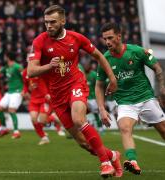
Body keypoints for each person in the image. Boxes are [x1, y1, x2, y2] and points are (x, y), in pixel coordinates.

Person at [27, 5, 122, 178]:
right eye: (46, 22)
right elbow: (30, 71)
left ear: (63, 21)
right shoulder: (39, 41)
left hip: (76, 84)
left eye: (53, 22)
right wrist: (49, 66)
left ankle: (105, 163)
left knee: (79, 119)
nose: (49, 26)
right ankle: (113, 155)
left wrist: (112, 78)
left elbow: (99, 56)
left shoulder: (76, 38)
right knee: (84, 144)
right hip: (57, 95)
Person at [96, 22, 165, 175]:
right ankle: (132, 161)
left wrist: (162, 88)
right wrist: (102, 109)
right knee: (124, 127)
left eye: (110, 38)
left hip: (146, 97)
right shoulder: (104, 59)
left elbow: (157, 67)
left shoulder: (138, 51)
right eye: (104, 39)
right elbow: (99, 84)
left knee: (163, 130)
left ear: (119, 36)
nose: (107, 42)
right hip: (125, 102)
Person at [22, 68, 65, 145]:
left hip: (44, 99)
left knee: (42, 121)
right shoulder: (25, 72)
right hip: (33, 100)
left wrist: (48, 93)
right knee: (33, 119)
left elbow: (49, 82)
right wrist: (24, 91)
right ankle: (44, 137)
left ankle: (54, 119)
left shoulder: (41, 70)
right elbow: (25, 84)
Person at [0, 52, 24, 139]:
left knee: (11, 110)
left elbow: (25, 76)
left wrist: (24, 90)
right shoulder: (6, 67)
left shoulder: (17, 67)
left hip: (17, 91)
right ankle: (4, 128)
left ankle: (16, 132)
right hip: (9, 92)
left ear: (8, 57)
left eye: (5, 56)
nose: (4, 58)